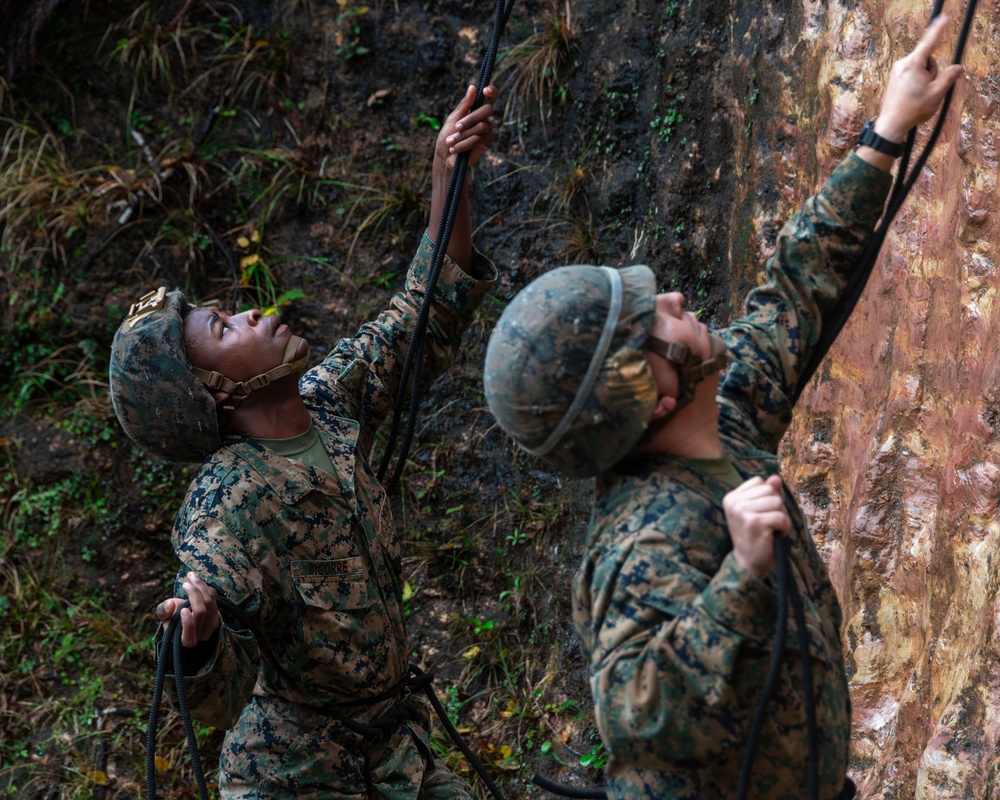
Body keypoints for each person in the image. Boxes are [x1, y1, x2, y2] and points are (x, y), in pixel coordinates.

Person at [482, 18, 963, 800]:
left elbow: (797, 287)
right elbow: (638, 717)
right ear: (648, 388)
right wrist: (741, 572)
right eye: (651, 319)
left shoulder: (725, 412)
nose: (672, 296)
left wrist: (887, 130)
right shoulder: (647, 532)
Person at [109, 84, 500, 799]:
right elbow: (222, 692)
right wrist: (196, 643)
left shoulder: (324, 399)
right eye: (226, 328)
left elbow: (422, 316)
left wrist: (449, 174)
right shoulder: (227, 500)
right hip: (294, 779)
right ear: (218, 396)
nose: (254, 313)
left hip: (393, 754)